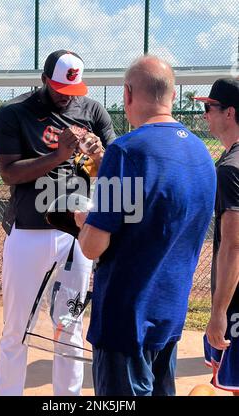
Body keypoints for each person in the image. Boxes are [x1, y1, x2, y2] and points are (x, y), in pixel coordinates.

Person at [74, 55, 217, 396]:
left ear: (127, 94)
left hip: (125, 317)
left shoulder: (124, 151)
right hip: (170, 312)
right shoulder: (202, 153)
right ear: (171, 94)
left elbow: (94, 245)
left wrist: (84, 221)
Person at [0, 49, 115, 396]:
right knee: (17, 327)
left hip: (77, 236)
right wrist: (58, 155)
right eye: (60, 88)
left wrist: (99, 155)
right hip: (29, 232)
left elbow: (113, 173)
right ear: (45, 80)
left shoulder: (93, 111)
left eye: (73, 90)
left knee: (69, 326)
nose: (67, 97)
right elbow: (8, 173)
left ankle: (68, 398)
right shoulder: (14, 112)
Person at [194, 78, 239, 395]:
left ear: (230, 113)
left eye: (210, 107)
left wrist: (219, 313)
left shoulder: (231, 168)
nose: (205, 113)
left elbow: (234, 246)